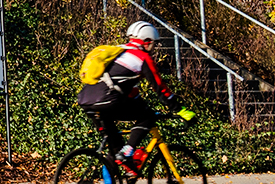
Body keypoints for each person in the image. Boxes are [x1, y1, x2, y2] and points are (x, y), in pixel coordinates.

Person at [77, 21, 191, 173]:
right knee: (148, 116)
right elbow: (160, 88)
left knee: (114, 151)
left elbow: (130, 92)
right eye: (153, 44)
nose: (153, 48)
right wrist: (180, 110)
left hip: (86, 100)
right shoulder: (142, 58)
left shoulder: (119, 52)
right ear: (148, 42)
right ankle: (128, 151)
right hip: (107, 100)